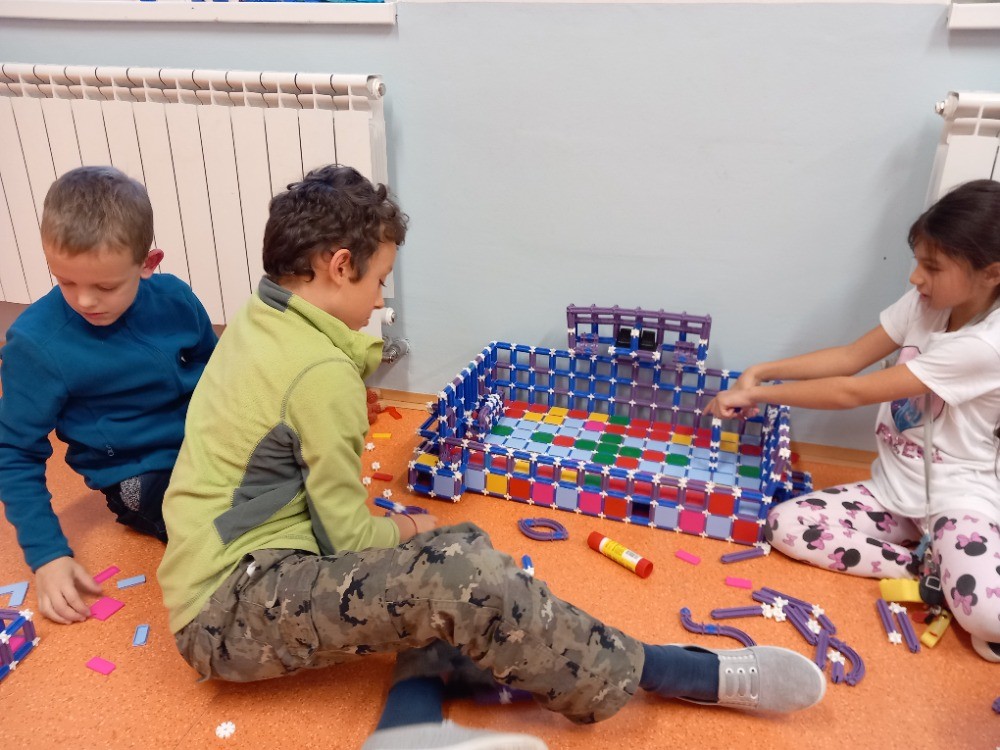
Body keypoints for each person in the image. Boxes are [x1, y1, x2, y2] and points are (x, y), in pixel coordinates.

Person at [157, 164, 826, 750]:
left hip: (253, 565)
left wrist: (416, 538)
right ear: (339, 266)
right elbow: (348, 540)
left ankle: (406, 724)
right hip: (229, 609)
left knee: (452, 558)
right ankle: (668, 669)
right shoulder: (318, 373)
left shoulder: (263, 317)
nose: (380, 299)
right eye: (379, 280)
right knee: (456, 572)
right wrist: (407, 527)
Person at [706, 179, 1000, 664]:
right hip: (892, 492)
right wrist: (762, 370)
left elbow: (853, 391)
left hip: (957, 499)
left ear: (991, 274)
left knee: (986, 618)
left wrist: (756, 393)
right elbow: (849, 358)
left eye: (932, 267)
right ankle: (926, 569)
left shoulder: (985, 345)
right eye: (918, 262)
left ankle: (953, 566)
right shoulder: (927, 303)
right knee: (786, 524)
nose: (915, 278)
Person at [0, 165, 217, 625]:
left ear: (148, 263)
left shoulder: (176, 298)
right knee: (219, 526)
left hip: (210, 440)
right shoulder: (36, 344)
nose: (84, 301)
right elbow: (14, 452)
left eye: (105, 286)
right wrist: (47, 556)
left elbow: (219, 372)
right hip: (140, 473)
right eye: (65, 281)